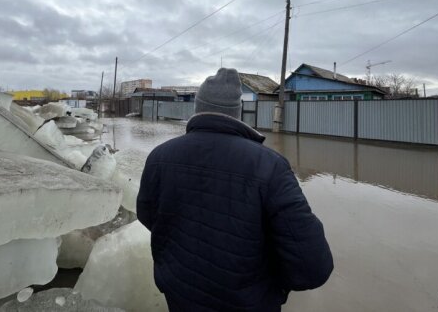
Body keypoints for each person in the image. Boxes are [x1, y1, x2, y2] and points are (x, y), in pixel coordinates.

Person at [137, 68, 333, 312]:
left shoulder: (159, 157)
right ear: (237, 113)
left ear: (196, 108)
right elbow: (313, 266)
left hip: (179, 295)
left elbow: (147, 215)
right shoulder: (270, 166)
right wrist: (273, 285)